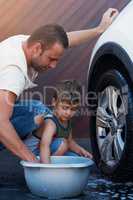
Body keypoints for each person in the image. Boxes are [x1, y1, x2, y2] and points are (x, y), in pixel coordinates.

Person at [0, 8, 118, 162]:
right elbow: (1, 123)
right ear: (37, 49)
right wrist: (33, 162)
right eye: (51, 59)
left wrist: (99, 29)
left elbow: (64, 40)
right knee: (36, 115)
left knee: (40, 111)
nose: (53, 65)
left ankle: (49, 149)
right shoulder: (13, 73)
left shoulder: (24, 43)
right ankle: (34, 153)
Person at [24, 80, 93, 163]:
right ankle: (48, 167)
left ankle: (55, 165)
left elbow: (70, 142)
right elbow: (44, 145)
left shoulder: (66, 119)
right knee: (63, 144)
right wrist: (46, 168)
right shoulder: (51, 122)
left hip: (49, 149)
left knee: (75, 157)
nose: (68, 113)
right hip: (33, 152)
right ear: (54, 102)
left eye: (73, 109)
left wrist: (83, 152)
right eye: (65, 108)